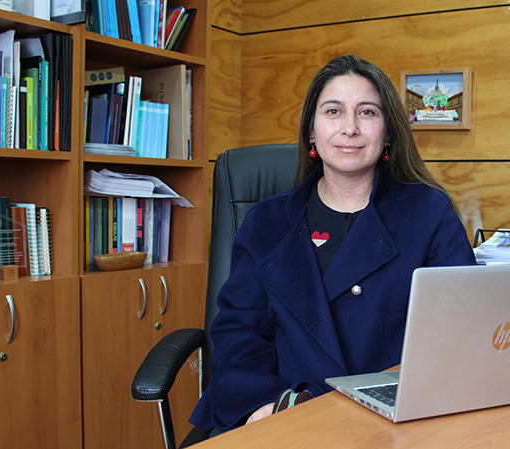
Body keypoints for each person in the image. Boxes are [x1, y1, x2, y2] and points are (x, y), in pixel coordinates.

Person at [190, 55, 476, 433]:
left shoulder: (427, 211)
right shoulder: (266, 222)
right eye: (333, 111)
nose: (350, 128)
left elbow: (463, 327)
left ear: (388, 132)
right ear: (312, 130)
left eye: (368, 113)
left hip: (392, 420)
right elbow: (238, 331)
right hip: (287, 412)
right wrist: (264, 404)